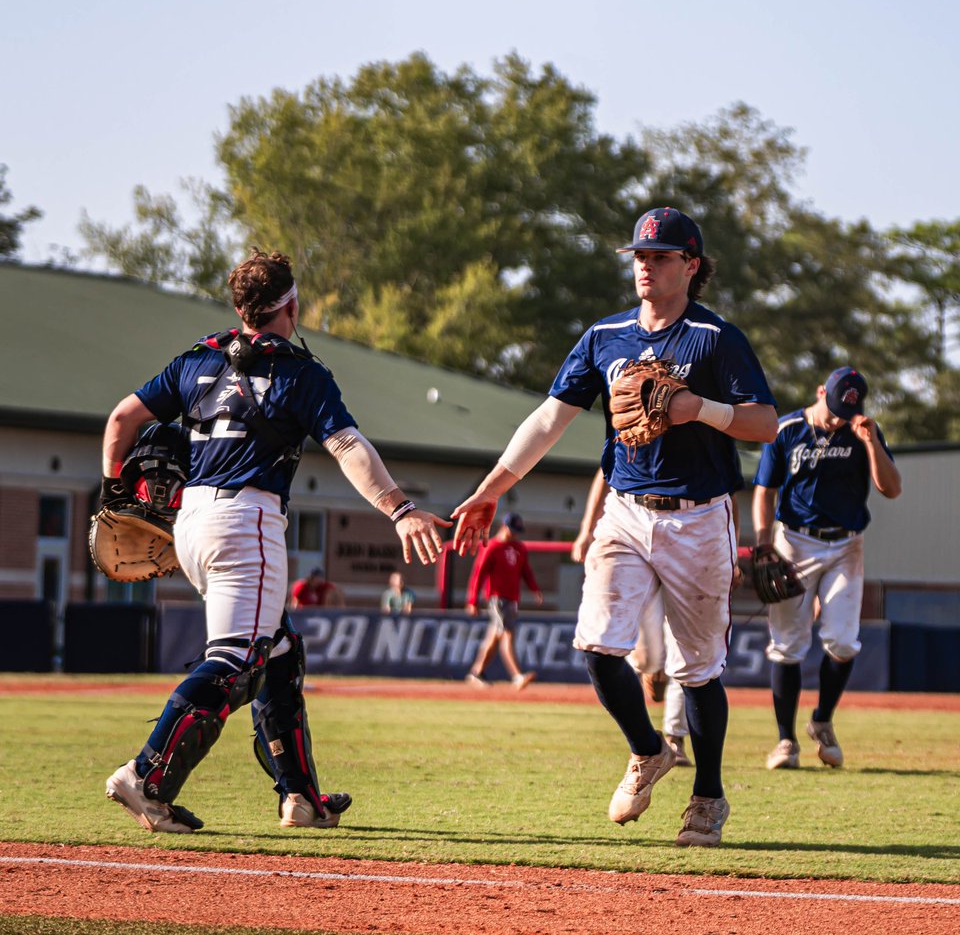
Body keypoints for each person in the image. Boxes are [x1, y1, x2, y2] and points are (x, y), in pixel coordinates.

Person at [453, 206, 778, 847]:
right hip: (625, 510)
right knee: (598, 647)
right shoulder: (605, 336)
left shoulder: (716, 338)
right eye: (640, 257)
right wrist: (490, 490)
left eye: (660, 257)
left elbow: (764, 424)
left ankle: (707, 796)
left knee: (698, 671)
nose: (646, 267)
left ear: (691, 265)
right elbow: (549, 419)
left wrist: (697, 408)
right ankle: (647, 750)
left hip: (700, 517)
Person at [101, 248, 450, 835]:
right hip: (248, 521)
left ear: (240, 308)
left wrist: (114, 494)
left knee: (279, 651)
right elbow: (347, 447)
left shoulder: (197, 359)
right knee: (239, 662)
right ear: (291, 304)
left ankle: (301, 798)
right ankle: (147, 775)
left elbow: (120, 421)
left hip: (192, 522)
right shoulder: (300, 371)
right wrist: (400, 507)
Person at [752, 365, 902, 770]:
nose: (839, 416)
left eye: (847, 410)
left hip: (845, 543)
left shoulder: (862, 430)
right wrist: (764, 543)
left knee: (842, 641)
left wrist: (871, 443)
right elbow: (764, 489)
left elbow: (891, 488)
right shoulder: (787, 429)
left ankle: (821, 720)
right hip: (794, 541)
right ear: (821, 391)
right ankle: (785, 742)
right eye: (834, 406)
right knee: (787, 644)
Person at [572, 468, 691, 767]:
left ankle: (675, 738)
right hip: (637, 531)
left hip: (690, 531)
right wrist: (587, 529)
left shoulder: (699, 427)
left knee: (686, 651)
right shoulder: (633, 426)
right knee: (647, 660)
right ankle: (653, 669)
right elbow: (604, 471)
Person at [464, 512, 543, 689]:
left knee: (494, 636)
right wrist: (472, 600)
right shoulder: (492, 547)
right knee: (507, 634)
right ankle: (517, 676)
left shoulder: (519, 548)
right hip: (497, 598)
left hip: (512, 598)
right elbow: (479, 574)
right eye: (512, 530)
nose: (515, 534)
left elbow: (525, 571)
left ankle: (476, 673)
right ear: (504, 527)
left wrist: (534, 589)